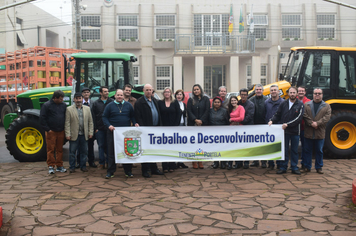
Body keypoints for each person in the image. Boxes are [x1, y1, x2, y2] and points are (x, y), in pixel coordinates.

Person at [102, 89, 139, 178]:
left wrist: (135, 123)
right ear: (115, 96)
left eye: (121, 95)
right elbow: (104, 117)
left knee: (127, 152)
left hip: (125, 133)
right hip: (112, 132)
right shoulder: (109, 106)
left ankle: (128, 171)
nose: (119, 97)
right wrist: (109, 125)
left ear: (123, 96)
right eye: (118, 95)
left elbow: (132, 116)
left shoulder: (128, 105)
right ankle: (110, 171)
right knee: (111, 152)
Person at [268, 86, 304, 175]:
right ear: (288, 93)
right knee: (284, 150)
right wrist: (272, 120)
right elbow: (278, 114)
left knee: (294, 150)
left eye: (294, 93)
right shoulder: (283, 103)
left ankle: (294, 167)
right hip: (284, 131)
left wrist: (288, 124)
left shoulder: (300, 104)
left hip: (295, 131)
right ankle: (283, 167)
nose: (292, 94)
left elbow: (299, 118)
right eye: (290, 93)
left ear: (296, 94)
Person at [135, 84, 164, 178]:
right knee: (145, 150)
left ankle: (154, 168)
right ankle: (145, 170)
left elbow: (158, 114)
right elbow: (138, 117)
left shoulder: (155, 100)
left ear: (152, 91)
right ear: (143, 90)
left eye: (150, 90)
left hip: (155, 129)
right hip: (145, 131)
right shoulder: (139, 102)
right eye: (147, 90)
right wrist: (143, 129)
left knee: (153, 150)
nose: (148, 91)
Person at [303, 88, 331, 174]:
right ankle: (307, 166)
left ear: (322, 95)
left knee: (319, 150)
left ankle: (319, 167)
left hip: (320, 131)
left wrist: (317, 124)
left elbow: (326, 117)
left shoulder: (327, 106)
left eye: (319, 93)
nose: (317, 95)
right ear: (313, 94)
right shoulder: (306, 105)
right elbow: (304, 115)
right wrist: (311, 123)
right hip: (309, 131)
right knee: (307, 150)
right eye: (315, 93)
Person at [65, 92, 94, 173]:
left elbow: (90, 122)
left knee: (84, 152)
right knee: (72, 152)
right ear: (74, 99)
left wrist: (90, 132)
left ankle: (83, 166)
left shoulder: (87, 109)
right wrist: (68, 134)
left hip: (84, 134)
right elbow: (67, 123)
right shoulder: (69, 109)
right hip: (74, 134)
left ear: (82, 99)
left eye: (80, 98)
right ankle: (72, 167)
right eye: (76, 98)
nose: (78, 100)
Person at [40, 90, 67, 174]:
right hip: (51, 131)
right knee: (50, 149)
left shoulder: (64, 105)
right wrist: (48, 129)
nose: (62, 100)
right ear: (55, 98)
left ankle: (59, 166)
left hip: (61, 131)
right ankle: (51, 166)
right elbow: (42, 118)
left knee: (59, 149)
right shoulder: (46, 105)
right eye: (60, 98)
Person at [187, 84, 210, 169]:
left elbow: (207, 110)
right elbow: (188, 111)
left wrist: (201, 120)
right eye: (194, 90)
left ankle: (200, 160)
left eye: (197, 89)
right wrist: (195, 120)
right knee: (193, 143)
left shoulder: (206, 99)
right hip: (193, 124)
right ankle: (194, 161)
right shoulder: (190, 100)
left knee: (201, 143)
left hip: (203, 124)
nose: (196, 91)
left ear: (201, 90)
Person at [158, 87, 181, 172]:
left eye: (168, 92)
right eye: (165, 92)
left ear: (171, 93)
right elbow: (159, 114)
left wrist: (175, 126)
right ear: (163, 94)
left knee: (172, 147)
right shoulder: (160, 103)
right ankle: (165, 166)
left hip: (173, 128)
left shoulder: (175, 103)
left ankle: (172, 165)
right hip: (163, 128)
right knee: (164, 147)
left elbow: (179, 114)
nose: (167, 93)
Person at [91, 86, 113, 169]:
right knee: (101, 146)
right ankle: (101, 163)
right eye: (105, 91)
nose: (107, 93)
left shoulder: (111, 102)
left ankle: (108, 162)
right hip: (99, 129)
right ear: (101, 93)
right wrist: (95, 128)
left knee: (109, 146)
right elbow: (93, 117)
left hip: (109, 128)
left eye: (107, 91)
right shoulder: (96, 103)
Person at [76, 87, 97, 168]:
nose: (86, 94)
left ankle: (91, 161)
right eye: (84, 92)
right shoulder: (78, 103)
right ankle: (79, 162)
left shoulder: (93, 103)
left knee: (90, 146)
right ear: (82, 94)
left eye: (87, 92)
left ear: (90, 93)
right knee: (79, 146)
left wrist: (94, 128)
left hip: (89, 128)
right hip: (80, 128)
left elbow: (94, 117)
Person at [264, 84, 284, 169]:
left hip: (279, 128)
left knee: (279, 146)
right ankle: (271, 163)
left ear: (278, 91)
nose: (273, 92)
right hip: (269, 127)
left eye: (275, 90)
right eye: (272, 90)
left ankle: (279, 164)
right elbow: (264, 113)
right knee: (269, 146)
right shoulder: (266, 102)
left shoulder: (283, 102)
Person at [249, 84, 268, 168]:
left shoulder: (267, 100)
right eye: (257, 89)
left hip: (264, 124)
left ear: (262, 90)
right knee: (255, 144)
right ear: (255, 91)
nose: (258, 91)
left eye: (260, 89)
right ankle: (255, 160)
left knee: (264, 144)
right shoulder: (251, 100)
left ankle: (264, 161)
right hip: (254, 124)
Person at [237, 88, 255, 169]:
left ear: (247, 95)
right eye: (242, 95)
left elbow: (249, 116)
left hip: (248, 127)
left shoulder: (251, 104)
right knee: (238, 145)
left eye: (245, 95)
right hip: (238, 128)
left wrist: (239, 122)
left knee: (247, 145)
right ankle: (239, 162)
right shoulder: (237, 103)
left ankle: (246, 162)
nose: (243, 96)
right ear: (240, 95)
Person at [210, 96, 229, 169]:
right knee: (215, 148)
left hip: (222, 132)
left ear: (221, 103)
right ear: (213, 103)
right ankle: (216, 162)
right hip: (213, 132)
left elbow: (227, 121)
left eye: (218, 102)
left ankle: (223, 162)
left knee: (222, 148)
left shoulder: (224, 111)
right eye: (215, 102)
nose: (217, 103)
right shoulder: (210, 111)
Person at [227, 95, 245, 169]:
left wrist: (232, 120)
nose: (233, 102)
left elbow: (242, 118)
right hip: (231, 129)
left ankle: (238, 163)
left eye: (235, 100)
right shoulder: (230, 109)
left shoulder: (241, 108)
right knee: (230, 147)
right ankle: (230, 163)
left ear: (237, 101)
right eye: (232, 101)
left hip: (239, 129)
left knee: (238, 147)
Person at [297, 86, 311, 170]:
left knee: (305, 147)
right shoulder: (294, 101)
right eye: (299, 91)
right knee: (294, 148)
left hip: (304, 128)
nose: (301, 92)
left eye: (302, 91)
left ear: (305, 92)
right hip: (294, 128)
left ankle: (306, 165)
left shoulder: (308, 102)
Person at [174, 89, 189, 168]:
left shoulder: (184, 104)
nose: (179, 96)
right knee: (176, 144)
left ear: (183, 96)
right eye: (177, 94)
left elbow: (185, 115)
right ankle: (175, 161)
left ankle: (180, 161)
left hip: (182, 125)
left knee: (181, 144)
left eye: (180, 94)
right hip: (176, 125)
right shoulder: (173, 104)